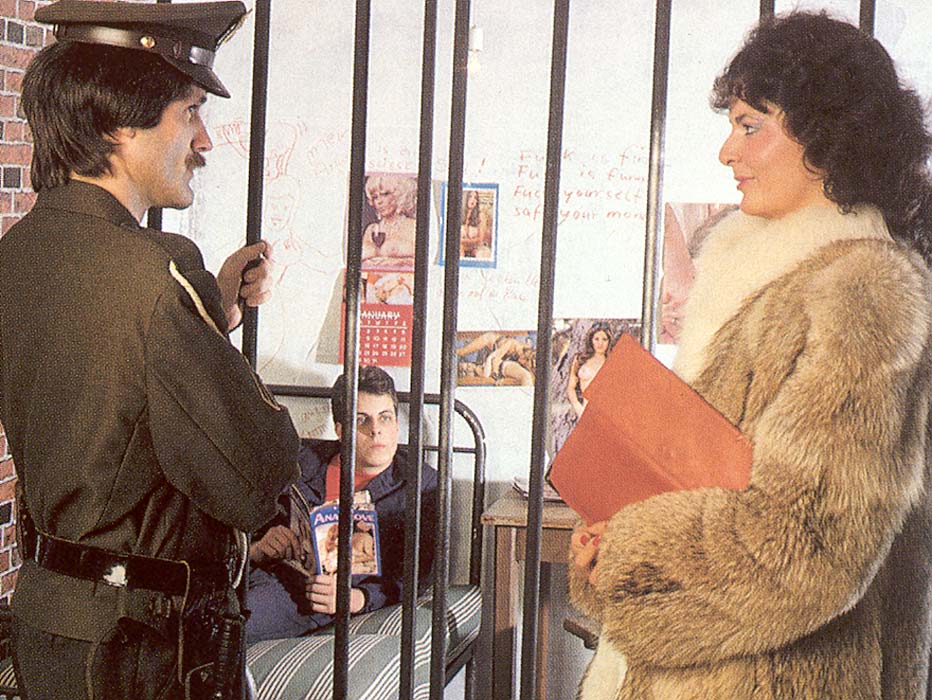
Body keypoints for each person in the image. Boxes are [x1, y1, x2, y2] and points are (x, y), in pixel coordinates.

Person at [570, 11, 932, 700]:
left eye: (750, 125)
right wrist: (606, 546)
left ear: (828, 137)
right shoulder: (762, 277)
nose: (725, 153)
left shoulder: (863, 293)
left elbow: (809, 547)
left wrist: (629, 550)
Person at [0, 2, 302, 698]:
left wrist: (210, 312)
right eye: (189, 112)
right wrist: (200, 318)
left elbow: (104, 389)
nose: (204, 140)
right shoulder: (158, 272)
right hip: (139, 646)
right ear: (118, 123)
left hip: (51, 623)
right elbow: (255, 475)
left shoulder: (18, 254)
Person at [246, 366, 438, 643]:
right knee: (191, 600)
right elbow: (246, 521)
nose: (375, 430)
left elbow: (417, 576)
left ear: (397, 425)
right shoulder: (302, 461)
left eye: (385, 418)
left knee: (224, 622)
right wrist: (258, 548)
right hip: (261, 573)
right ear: (340, 429)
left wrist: (357, 598)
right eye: (361, 419)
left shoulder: (420, 484)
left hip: (309, 598)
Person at [361, 174, 417, 269]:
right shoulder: (371, 229)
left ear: (399, 195)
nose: (379, 201)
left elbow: (426, 263)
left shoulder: (413, 226)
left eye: (385, 194)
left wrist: (400, 262)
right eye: (375, 197)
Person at [565, 324, 613, 418]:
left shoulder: (612, 362)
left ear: (609, 341)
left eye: (604, 339)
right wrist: (578, 408)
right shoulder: (580, 360)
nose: (600, 343)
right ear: (591, 340)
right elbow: (570, 388)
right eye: (596, 339)